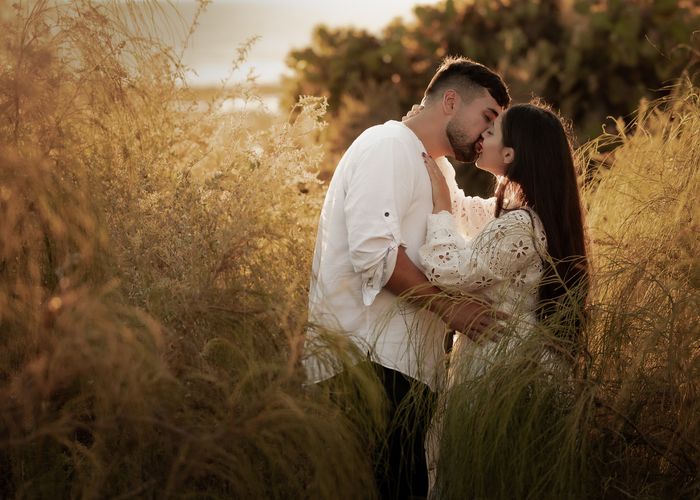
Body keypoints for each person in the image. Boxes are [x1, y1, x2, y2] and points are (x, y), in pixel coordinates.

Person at [303, 56, 510, 500]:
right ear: (451, 101)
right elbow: (374, 254)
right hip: (363, 363)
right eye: (487, 118)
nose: (486, 136)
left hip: (404, 371)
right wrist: (452, 309)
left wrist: (537, 199)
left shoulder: (440, 170)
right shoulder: (387, 144)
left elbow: (466, 232)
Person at [417, 101, 590, 497]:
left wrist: (439, 210)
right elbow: (463, 208)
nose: (482, 136)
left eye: (491, 132)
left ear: (510, 154)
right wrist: (433, 142)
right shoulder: (531, 214)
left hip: (501, 380)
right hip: (515, 372)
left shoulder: (521, 225)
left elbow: (449, 271)